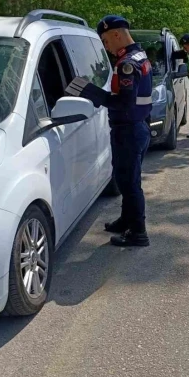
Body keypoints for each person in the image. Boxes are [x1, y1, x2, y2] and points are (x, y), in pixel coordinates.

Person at [81, 15, 153, 247]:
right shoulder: (140, 56)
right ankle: (126, 220)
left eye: (106, 40)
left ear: (116, 34)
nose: (106, 46)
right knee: (126, 178)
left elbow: (123, 102)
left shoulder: (126, 64)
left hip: (128, 130)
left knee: (129, 183)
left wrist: (88, 91)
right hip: (137, 127)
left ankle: (138, 232)